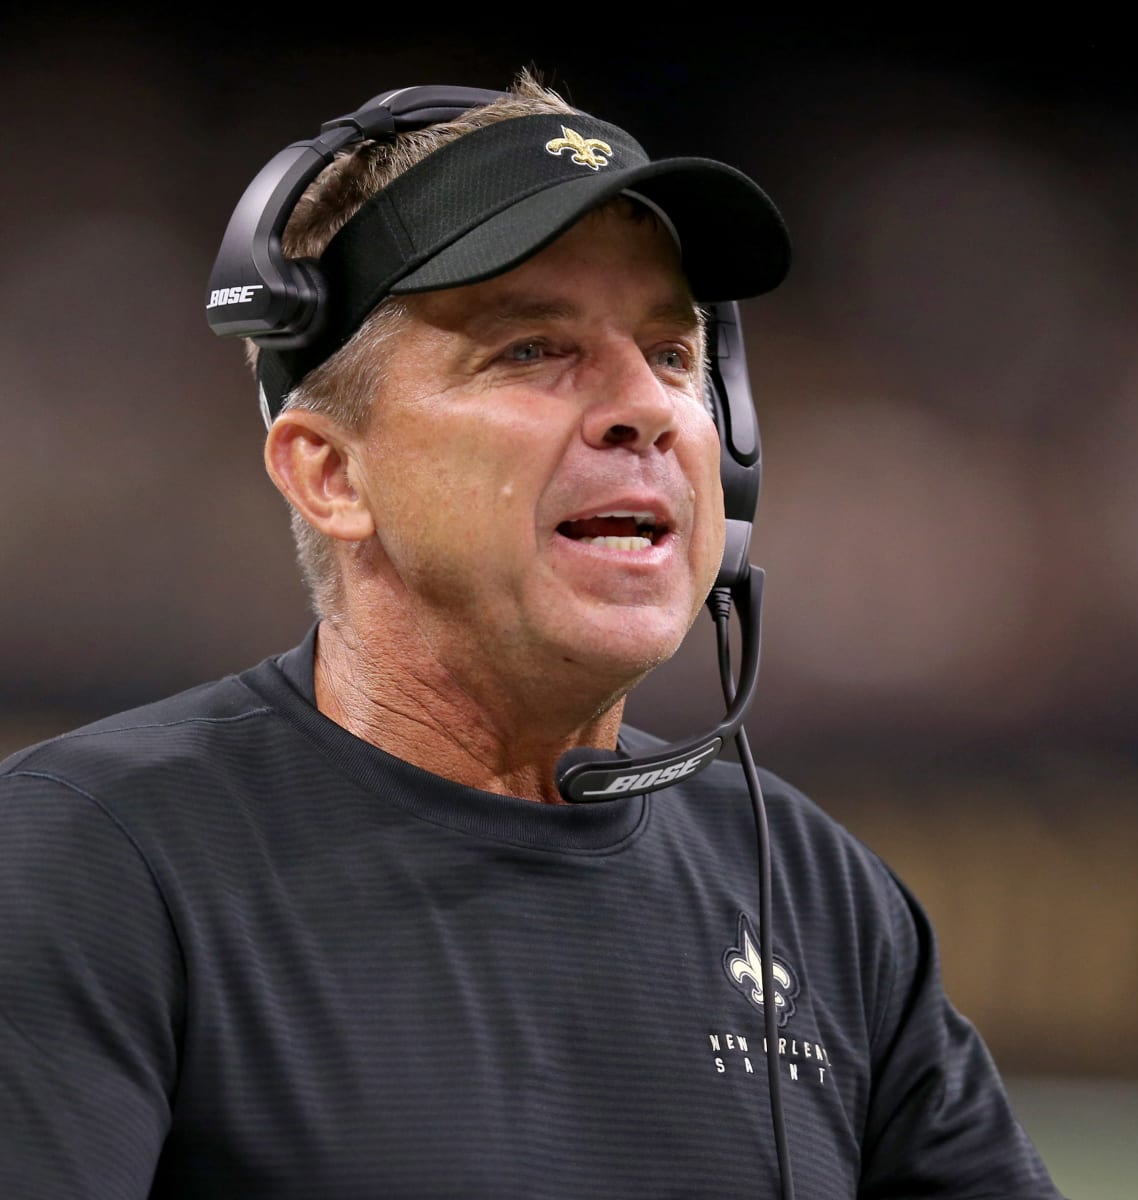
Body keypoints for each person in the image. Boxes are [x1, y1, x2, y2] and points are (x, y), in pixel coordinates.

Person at [0, 70, 1064, 1199]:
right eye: (530, 350)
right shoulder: (95, 861)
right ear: (330, 472)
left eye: (670, 354)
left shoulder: (815, 895)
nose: (647, 408)